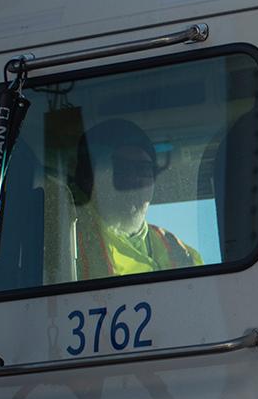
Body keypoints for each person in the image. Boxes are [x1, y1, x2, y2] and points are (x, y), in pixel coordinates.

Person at [71, 119, 202, 279]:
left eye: (143, 169)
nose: (135, 179)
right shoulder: (70, 239)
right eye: (122, 168)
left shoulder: (185, 254)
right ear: (92, 178)